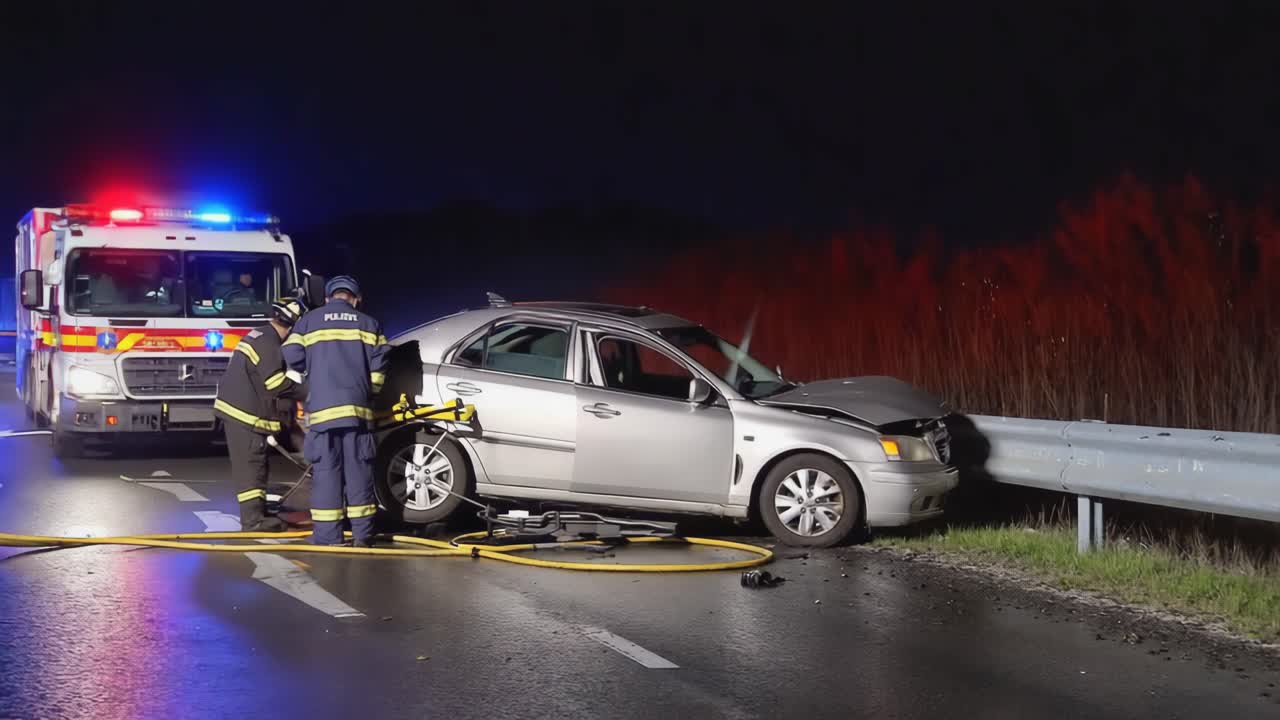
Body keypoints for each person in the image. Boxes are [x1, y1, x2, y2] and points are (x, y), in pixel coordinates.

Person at [282, 275, 390, 547]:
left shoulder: (309, 321)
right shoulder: (370, 324)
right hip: (357, 413)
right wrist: (370, 393)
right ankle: (363, 536)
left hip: (322, 412)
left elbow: (291, 354)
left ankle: (328, 537)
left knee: (327, 474)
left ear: (329, 298)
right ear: (356, 299)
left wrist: (312, 371)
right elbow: (380, 369)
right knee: (358, 474)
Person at [214, 298, 309, 531]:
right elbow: (275, 384)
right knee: (251, 465)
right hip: (244, 414)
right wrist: (309, 391)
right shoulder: (270, 343)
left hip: (239, 411)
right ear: (293, 325)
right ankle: (253, 521)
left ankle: (258, 513)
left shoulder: (261, 335)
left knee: (257, 463)